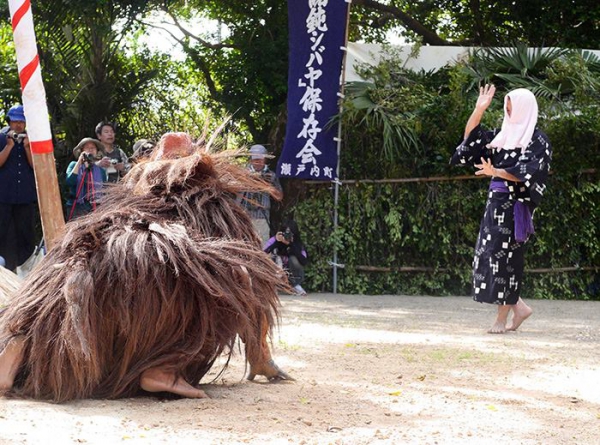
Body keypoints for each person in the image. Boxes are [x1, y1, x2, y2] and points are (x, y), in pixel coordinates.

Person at [0, 131, 291, 402]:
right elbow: (251, 275)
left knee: (64, 279)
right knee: (236, 276)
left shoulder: (116, 214)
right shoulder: (213, 206)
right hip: (163, 275)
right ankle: (168, 366)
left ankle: (22, 341)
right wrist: (260, 355)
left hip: (102, 283)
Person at [451, 84, 552, 334]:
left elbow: (528, 174)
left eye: (512, 108)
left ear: (524, 109)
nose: (508, 112)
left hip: (514, 207)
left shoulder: (537, 140)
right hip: (494, 205)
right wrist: (478, 110)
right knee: (488, 257)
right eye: (506, 108)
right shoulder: (500, 136)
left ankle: (501, 318)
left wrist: (495, 171)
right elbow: (469, 143)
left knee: (506, 260)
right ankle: (519, 307)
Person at [0, 104, 37, 272]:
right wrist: (9, 146)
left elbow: (36, 167)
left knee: (26, 233)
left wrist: (28, 147)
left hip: (25, 196)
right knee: (4, 233)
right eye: (15, 121)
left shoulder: (32, 140)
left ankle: (26, 270)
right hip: (4, 196)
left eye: (22, 121)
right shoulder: (1, 138)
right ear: (9, 121)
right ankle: (6, 270)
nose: (18, 125)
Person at [240, 144, 282, 246]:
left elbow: (279, 196)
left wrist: (266, 185)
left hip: (262, 217)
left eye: (261, 159)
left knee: (263, 247)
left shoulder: (270, 176)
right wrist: (247, 180)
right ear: (250, 160)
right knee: (246, 246)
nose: (258, 162)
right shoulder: (241, 173)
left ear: (265, 160)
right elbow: (234, 194)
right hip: (245, 216)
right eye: (255, 159)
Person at [65, 137, 111, 220]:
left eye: (92, 148)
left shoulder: (101, 170)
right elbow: (69, 182)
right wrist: (80, 162)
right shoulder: (73, 165)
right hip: (76, 207)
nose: (90, 150)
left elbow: (104, 190)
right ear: (81, 151)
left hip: (95, 208)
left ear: (97, 152)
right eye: (87, 148)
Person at [264, 219, 308, 296]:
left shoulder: (298, 243)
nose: (287, 236)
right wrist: (277, 242)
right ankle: (272, 285)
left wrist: (291, 245)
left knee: (293, 259)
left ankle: (296, 285)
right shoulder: (275, 239)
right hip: (277, 270)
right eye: (286, 233)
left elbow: (304, 261)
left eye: (290, 233)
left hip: (293, 274)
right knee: (272, 257)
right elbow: (263, 254)